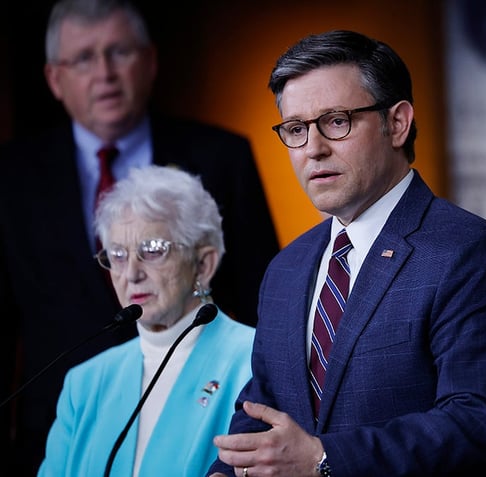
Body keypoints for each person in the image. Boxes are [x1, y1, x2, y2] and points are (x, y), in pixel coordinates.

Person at [206, 30, 486, 477]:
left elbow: (478, 427)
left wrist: (324, 458)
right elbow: (262, 405)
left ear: (397, 123)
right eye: (297, 129)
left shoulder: (469, 254)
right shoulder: (287, 268)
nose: (314, 148)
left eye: (337, 121)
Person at [0, 0, 278, 471]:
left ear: (150, 62)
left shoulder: (221, 156)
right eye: (84, 58)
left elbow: (264, 298)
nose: (104, 73)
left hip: (209, 414)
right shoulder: (10, 176)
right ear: (54, 79)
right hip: (62, 430)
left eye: (119, 52)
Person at [38, 166, 254, 476]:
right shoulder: (84, 383)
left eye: (152, 251)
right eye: (118, 254)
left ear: (203, 264)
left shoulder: (255, 361)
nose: (131, 274)